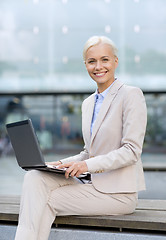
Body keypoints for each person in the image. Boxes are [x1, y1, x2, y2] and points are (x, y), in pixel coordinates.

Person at [14, 36, 147, 240]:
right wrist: (60, 164)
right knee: (34, 177)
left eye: (105, 60)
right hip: (91, 185)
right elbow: (88, 152)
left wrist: (86, 166)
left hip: (118, 194)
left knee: (45, 200)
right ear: (85, 64)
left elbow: (131, 151)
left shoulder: (130, 95)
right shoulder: (88, 103)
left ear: (115, 62)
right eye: (92, 61)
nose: (98, 66)